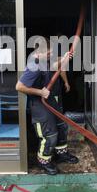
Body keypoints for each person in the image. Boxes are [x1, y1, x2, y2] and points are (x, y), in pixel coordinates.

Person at [16, 37, 78, 175]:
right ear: (38, 53)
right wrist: (40, 91)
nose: (51, 55)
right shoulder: (34, 66)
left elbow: (56, 66)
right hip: (40, 105)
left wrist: (66, 58)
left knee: (62, 128)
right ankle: (44, 161)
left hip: (52, 101)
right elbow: (19, 86)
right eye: (48, 54)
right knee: (49, 135)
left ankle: (61, 154)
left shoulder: (46, 60)